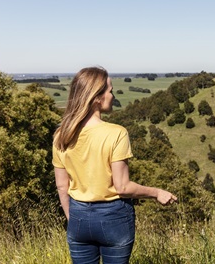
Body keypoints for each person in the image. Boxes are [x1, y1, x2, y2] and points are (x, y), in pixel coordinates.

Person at [52, 66, 177, 264]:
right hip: (113, 218)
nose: (112, 94)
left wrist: (73, 219)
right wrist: (157, 192)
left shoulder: (61, 135)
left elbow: (61, 186)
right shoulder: (116, 133)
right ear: (96, 98)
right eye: (109, 90)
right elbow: (122, 186)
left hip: (78, 216)